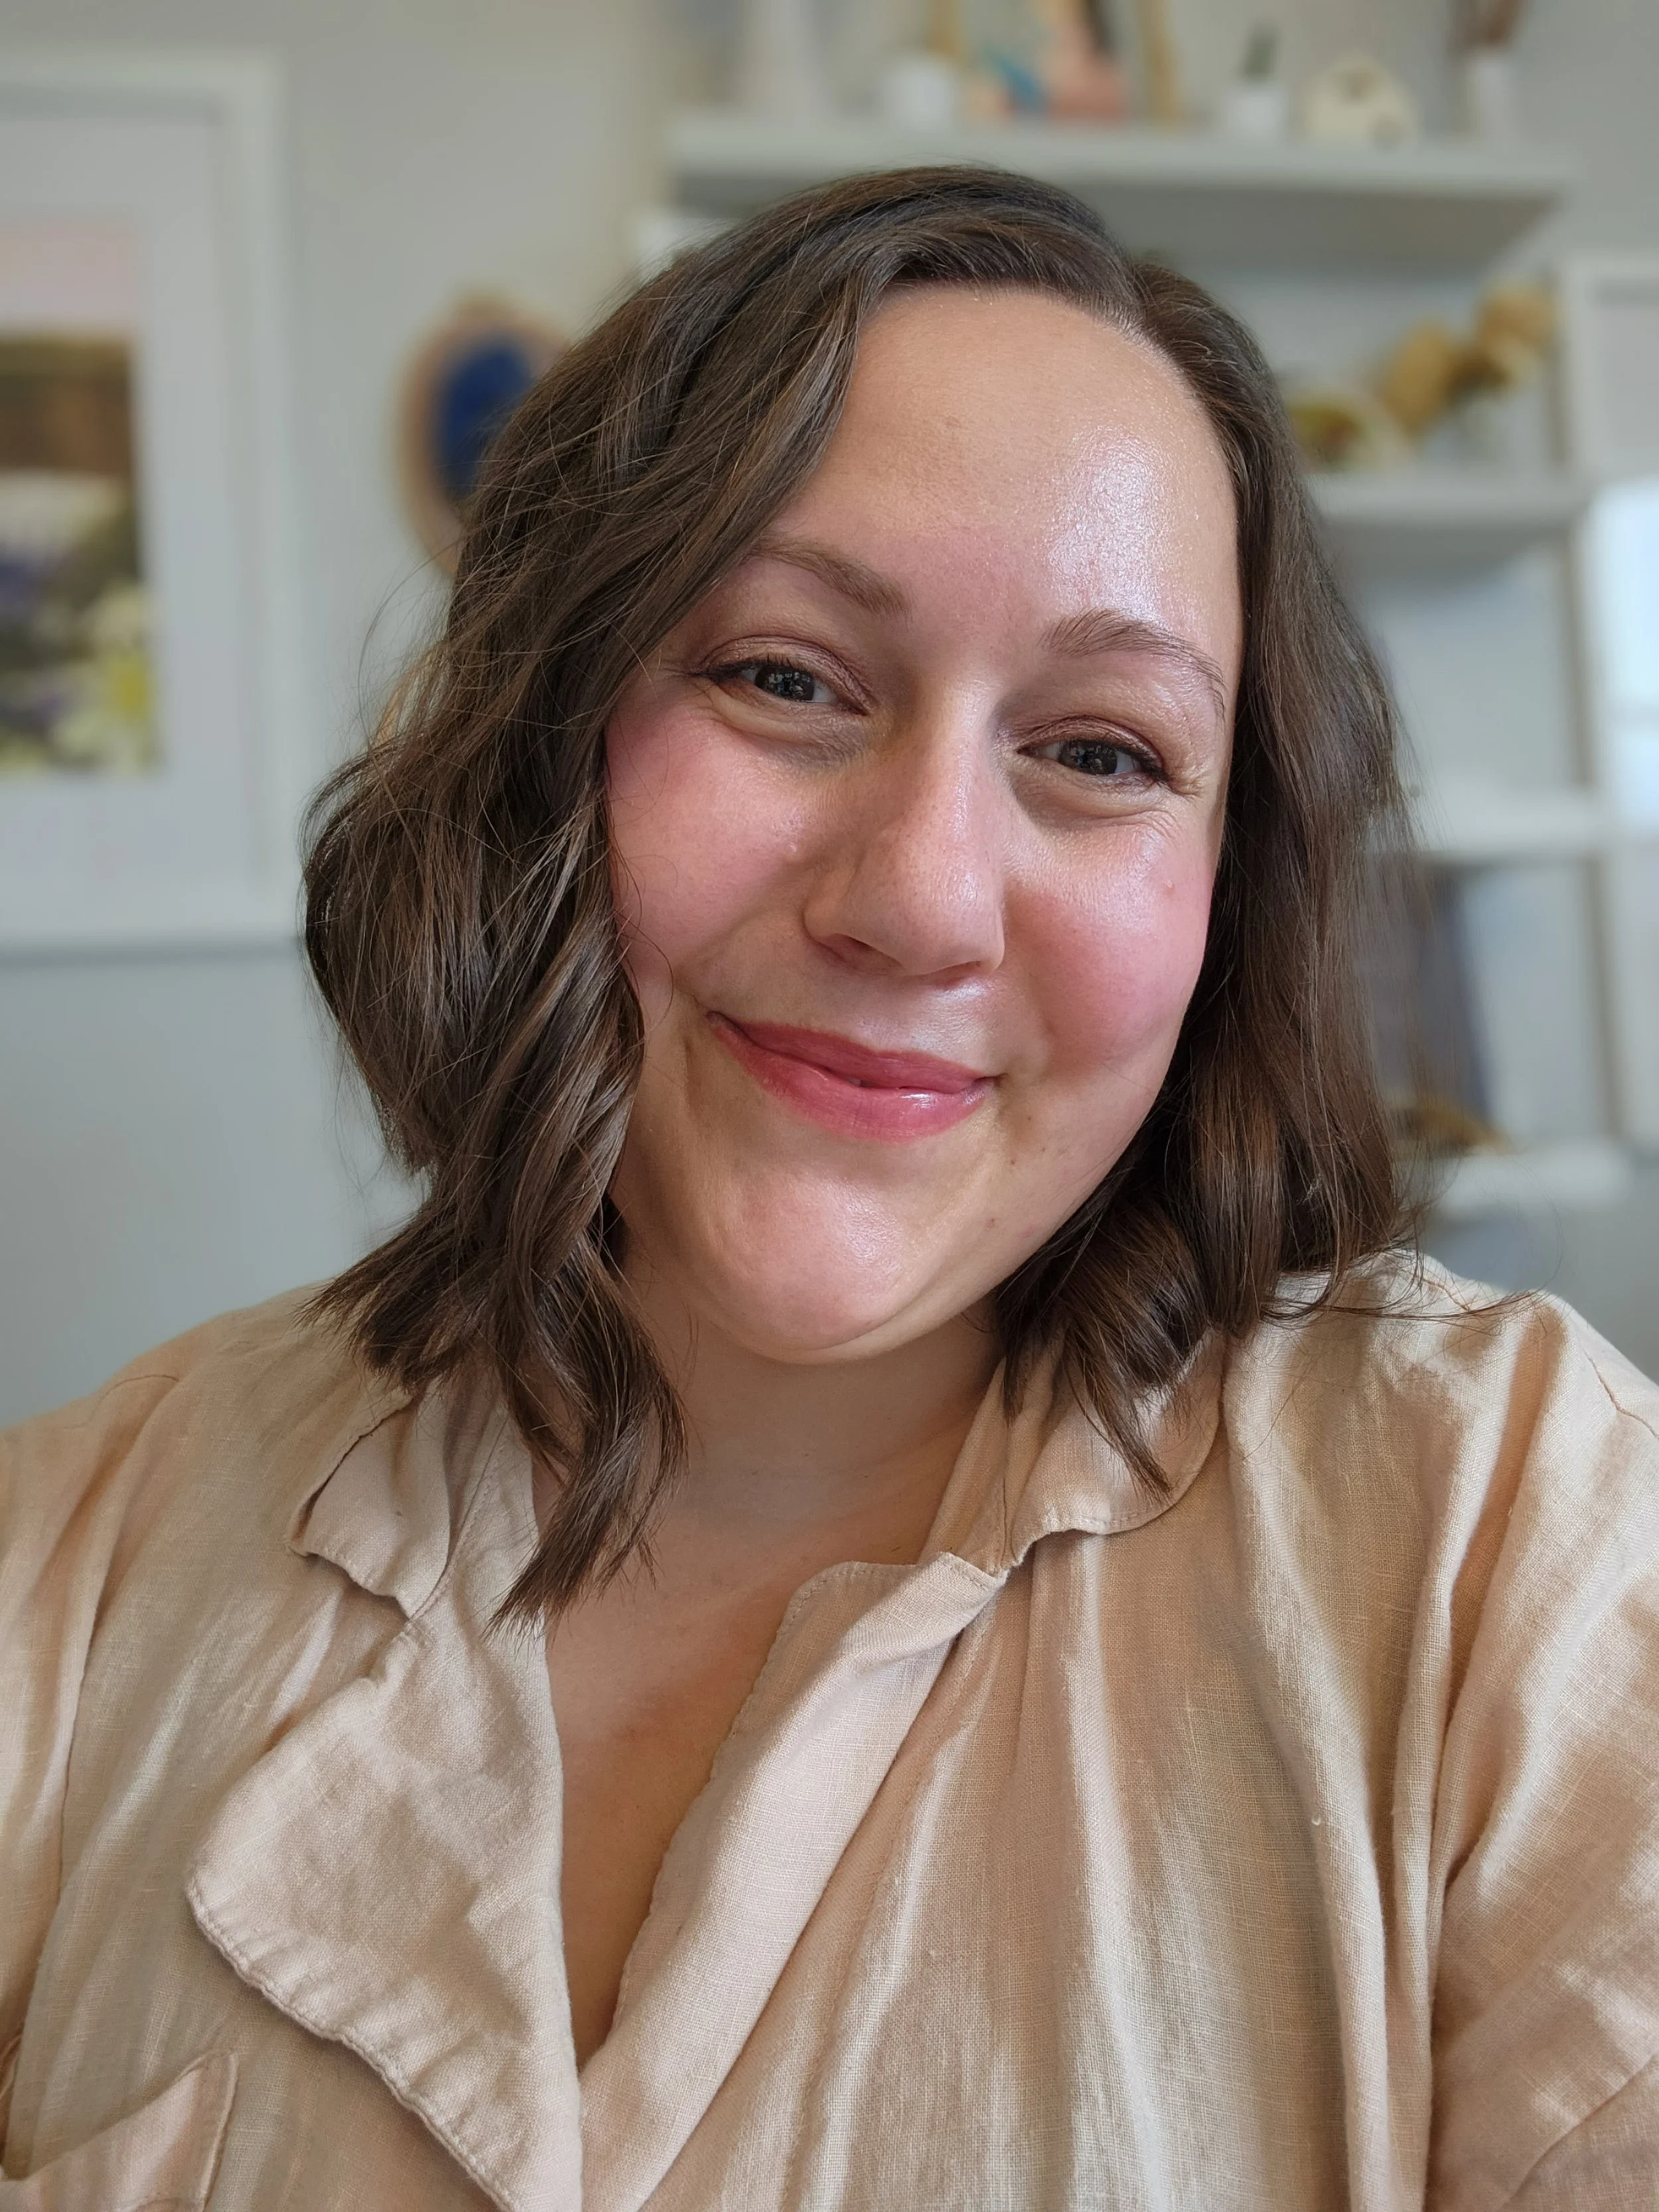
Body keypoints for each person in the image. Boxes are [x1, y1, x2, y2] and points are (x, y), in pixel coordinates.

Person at [2, 169, 1656, 2211]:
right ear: (547, 740)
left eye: (1103, 752)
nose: (921, 899)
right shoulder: (71, 1558)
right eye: (785, 676)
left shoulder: (1509, 1539)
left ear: (1228, 895)